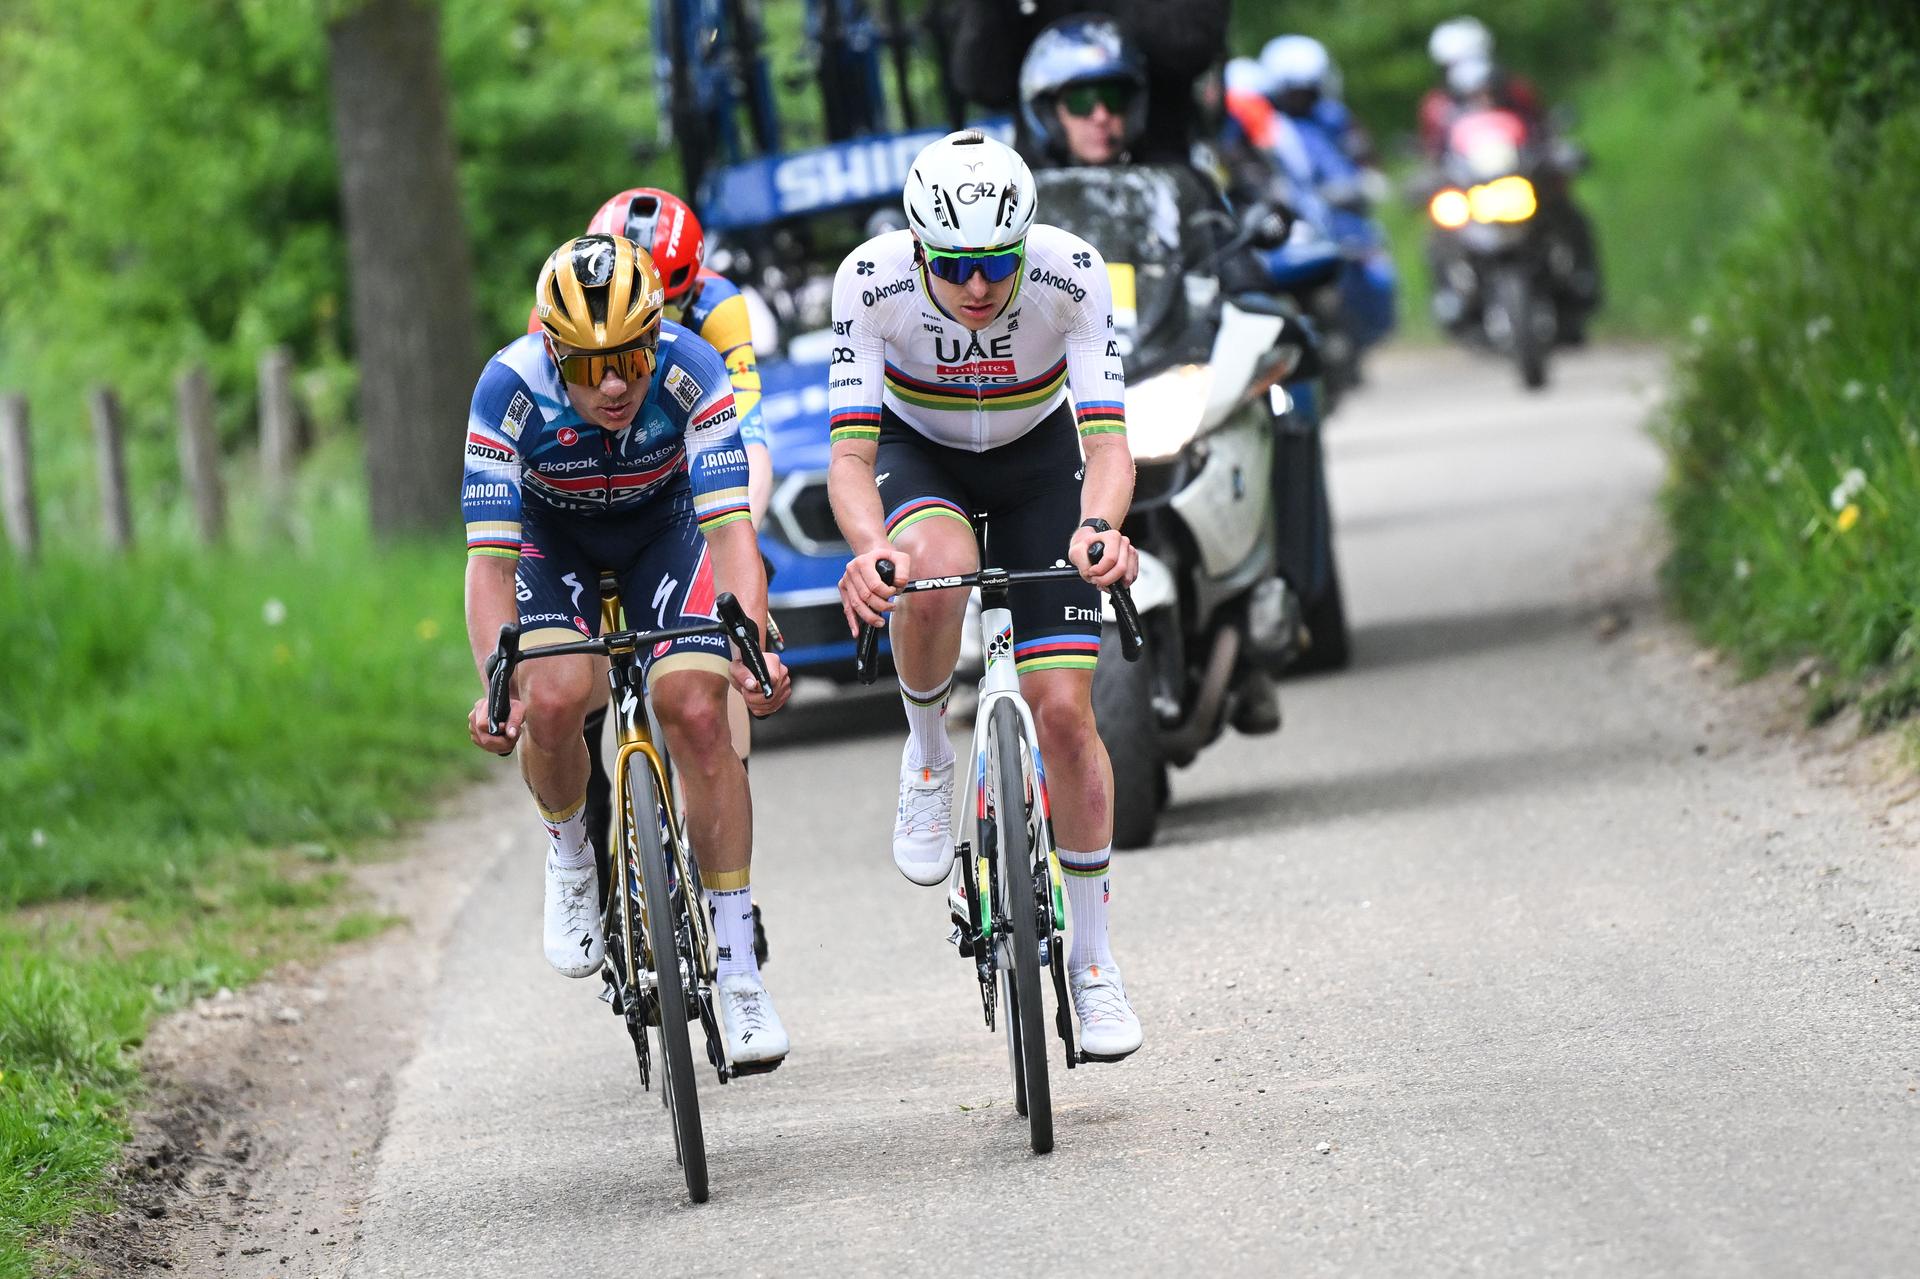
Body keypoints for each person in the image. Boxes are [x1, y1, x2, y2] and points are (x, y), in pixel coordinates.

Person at [826, 129, 1145, 1061]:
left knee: (1065, 713)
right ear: (919, 248)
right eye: (956, 265)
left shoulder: (1073, 273)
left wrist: (1100, 530)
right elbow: (848, 461)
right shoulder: (870, 281)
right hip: (918, 451)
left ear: (1025, 246)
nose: (976, 287)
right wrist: (871, 549)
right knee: (926, 570)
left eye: (996, 265)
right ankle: (928, 753)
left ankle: (1092, 962)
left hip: (1041, 461)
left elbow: (1111, 444)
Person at [465, 233, 794, 1066]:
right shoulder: (507, 391)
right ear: (551, 350)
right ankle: (572, 853)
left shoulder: (693, 372)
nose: (614, 384)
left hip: (663, 527)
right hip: (553, 540)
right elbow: (490, 565)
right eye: (587, 365)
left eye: (631, 359)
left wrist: (749, 645)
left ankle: (738, 963)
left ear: (657, 337)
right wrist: (495, 686)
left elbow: (728, 529)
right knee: (550, 698)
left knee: (697, 707)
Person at [529, 189, 774, 885]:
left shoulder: (719, 309)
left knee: (729, 638)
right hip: (584, 501)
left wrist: (738, 533)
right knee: (574, 686)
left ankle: (723, 821)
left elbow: (747, 435)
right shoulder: (566, 308)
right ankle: (591, 823)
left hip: (685, 481)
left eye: (674, 303)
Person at [945, 0, 1227, 165]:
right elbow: (981, 82)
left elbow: (1190, 47)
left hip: (1159, 173)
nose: (1099, 116)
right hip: (1045, 182)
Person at [1016, 14, 1148, 168]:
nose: (1101, 117)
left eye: (1113, 99)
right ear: (1050, 115)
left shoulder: (1164, 185)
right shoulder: (1015, 183)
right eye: (1080, 102)